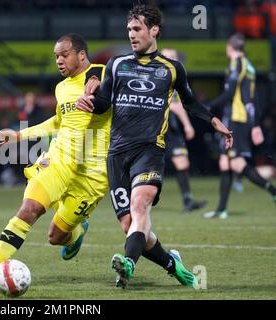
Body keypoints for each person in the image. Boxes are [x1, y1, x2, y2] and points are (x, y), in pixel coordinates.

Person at [76, 4, 233, 288]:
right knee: (132, 226)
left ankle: (128, 265)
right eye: (129, 30)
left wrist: (212, 120)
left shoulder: (172, 69)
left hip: (150, 151)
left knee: (140, 206)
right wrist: (89, 103)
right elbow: (103, 104)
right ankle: (173, 264)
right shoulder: (117, 64)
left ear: (154, 30)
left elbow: (189, 101)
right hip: (117, 155)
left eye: (137, 29)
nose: (131, 35)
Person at [0, 33, 111, 291]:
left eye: (64, 55)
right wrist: (20, 134)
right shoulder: (62, 88)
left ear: (81, 54)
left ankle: (76, 232)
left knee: (56, 237)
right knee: (29, 208)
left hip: (93, 171)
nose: (59, 61)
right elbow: (58, 122)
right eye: (56, 56)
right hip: (59, 159)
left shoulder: (105, 72)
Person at [203, 33, 276, 219]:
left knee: (236, 163)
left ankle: (272, 190)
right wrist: (256, 124)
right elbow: (254, 98)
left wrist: (208, 105)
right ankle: (221, 209)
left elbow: (229, 94)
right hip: (244, 120)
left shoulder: (237, 64)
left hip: (237, 119)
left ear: (230, 48)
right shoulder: (249, 66)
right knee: (225, 162)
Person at [161, 48, 207, 213]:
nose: (174, 60)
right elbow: (175, 107)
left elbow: (179, 104)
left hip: (170, 127)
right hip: (155, 126)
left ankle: (187, 200)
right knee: (148, 165)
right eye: (170, 57)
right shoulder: (160, 75)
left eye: (175, 57)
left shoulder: (176, 77)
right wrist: (187, 125)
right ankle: (136, 200)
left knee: (182, 161)